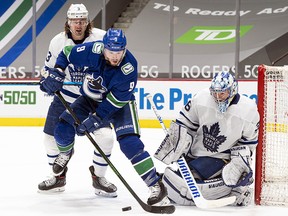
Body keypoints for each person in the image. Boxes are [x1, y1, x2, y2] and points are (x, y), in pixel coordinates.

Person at [41, 28, 171, 206]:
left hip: (119, 106)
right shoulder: (92, 50)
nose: (116, 57)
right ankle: (65, 153)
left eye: (119, 52)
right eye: (111, 52)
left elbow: (114, 103)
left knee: (130, 144)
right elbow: (65, 53)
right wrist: (57, 71)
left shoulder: (129, 68)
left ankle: (155, 185)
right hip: (89, 99)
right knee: (62, 129)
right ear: (104, 48)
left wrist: (94, 119)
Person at [38, 3, 117, 197]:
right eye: (74, 21)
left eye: (82, 20)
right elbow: (48, 71)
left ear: (88, 22)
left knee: (106, 137)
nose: (78, 25)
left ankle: (99, 178)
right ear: (68, 22)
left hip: (93, 99)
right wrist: (46, 82)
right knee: (49, 138)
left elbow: (116, 62)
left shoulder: (101, 37)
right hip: (64, 98)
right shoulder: (58, 42)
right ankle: (58, 178)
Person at [154, 71, 259, 206]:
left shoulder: (248, 110)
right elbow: (184, 123)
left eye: (222, 93)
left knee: (190, 182)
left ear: (232, 90)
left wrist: (238, 165)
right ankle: (229, 190)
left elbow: (248, 144)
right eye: (214, 92)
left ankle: (238, 189)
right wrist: (178, 141)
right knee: (186, 180)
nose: (217, 97)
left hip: (222, 158)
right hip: (196, 154)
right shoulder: (201, 98)